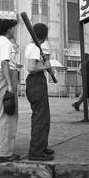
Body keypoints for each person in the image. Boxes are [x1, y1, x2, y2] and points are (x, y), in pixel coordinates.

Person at [0, 19, 20, 163]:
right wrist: (9, 85)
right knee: (7, 115)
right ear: (8, 30)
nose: (14, 31)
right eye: (13, 29)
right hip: (4, 78)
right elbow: (4, 63)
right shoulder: (6, 43)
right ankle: (3, 153)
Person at [25, 23, 54, 161]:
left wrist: (45, 65)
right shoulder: (35, 47)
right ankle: (36, 152)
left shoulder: (33, 47)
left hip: (36, 82)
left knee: (44, 117)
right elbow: (31, 67)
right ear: (44, 35)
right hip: (36, 82)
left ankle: (41, 146)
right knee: (40, 118)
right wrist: (45, 65)